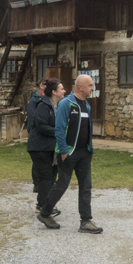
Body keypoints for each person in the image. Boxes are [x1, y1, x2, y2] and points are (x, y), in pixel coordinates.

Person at [36, 74, 103, 234]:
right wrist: (64, 151)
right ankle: (44, 213)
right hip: (69, 153)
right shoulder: (66, 104)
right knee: (62, 185)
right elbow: (59, 129)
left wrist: (89, 148)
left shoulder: (86, 105)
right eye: (90, 85)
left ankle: (85, 221)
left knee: (86, 187)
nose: (92, 88)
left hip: (84, 153)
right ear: (80, 87)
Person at [27, 78, 65, 215]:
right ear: (54, 92)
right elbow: (41, 126)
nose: (64, 91)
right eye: (61, 89)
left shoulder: (56, 106)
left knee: (51, 177)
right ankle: (43, 206)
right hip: (39, 147)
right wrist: (59, 132)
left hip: (50, 148)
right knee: (46, 177)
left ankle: (46, 205)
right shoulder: (43, 106)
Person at [26, 77, 48, 191]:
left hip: (46, 135)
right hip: (36, 134)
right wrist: (31, 133)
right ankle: (37, 183)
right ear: (41, 86)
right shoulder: (34, 100)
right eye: (46, 84)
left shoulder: (48, 99)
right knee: (37, 160)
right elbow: (30, 117)